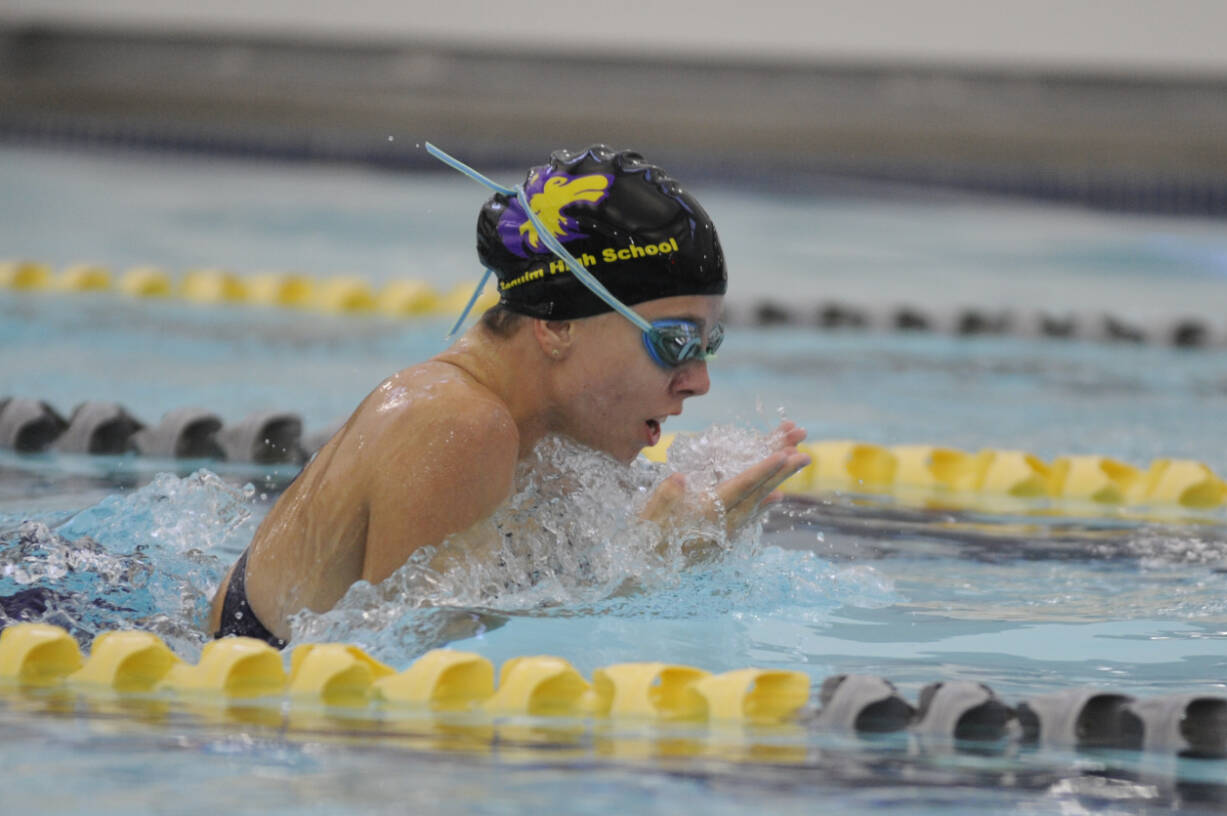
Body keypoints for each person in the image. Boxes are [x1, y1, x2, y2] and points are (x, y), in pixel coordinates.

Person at [209, 144, 810, 647]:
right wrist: (647, 571)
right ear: (556, 327)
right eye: (674, 342)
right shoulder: (459, 423)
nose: (699, 380)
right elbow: (394, 655)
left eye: (710, 343)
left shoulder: (542, 432)